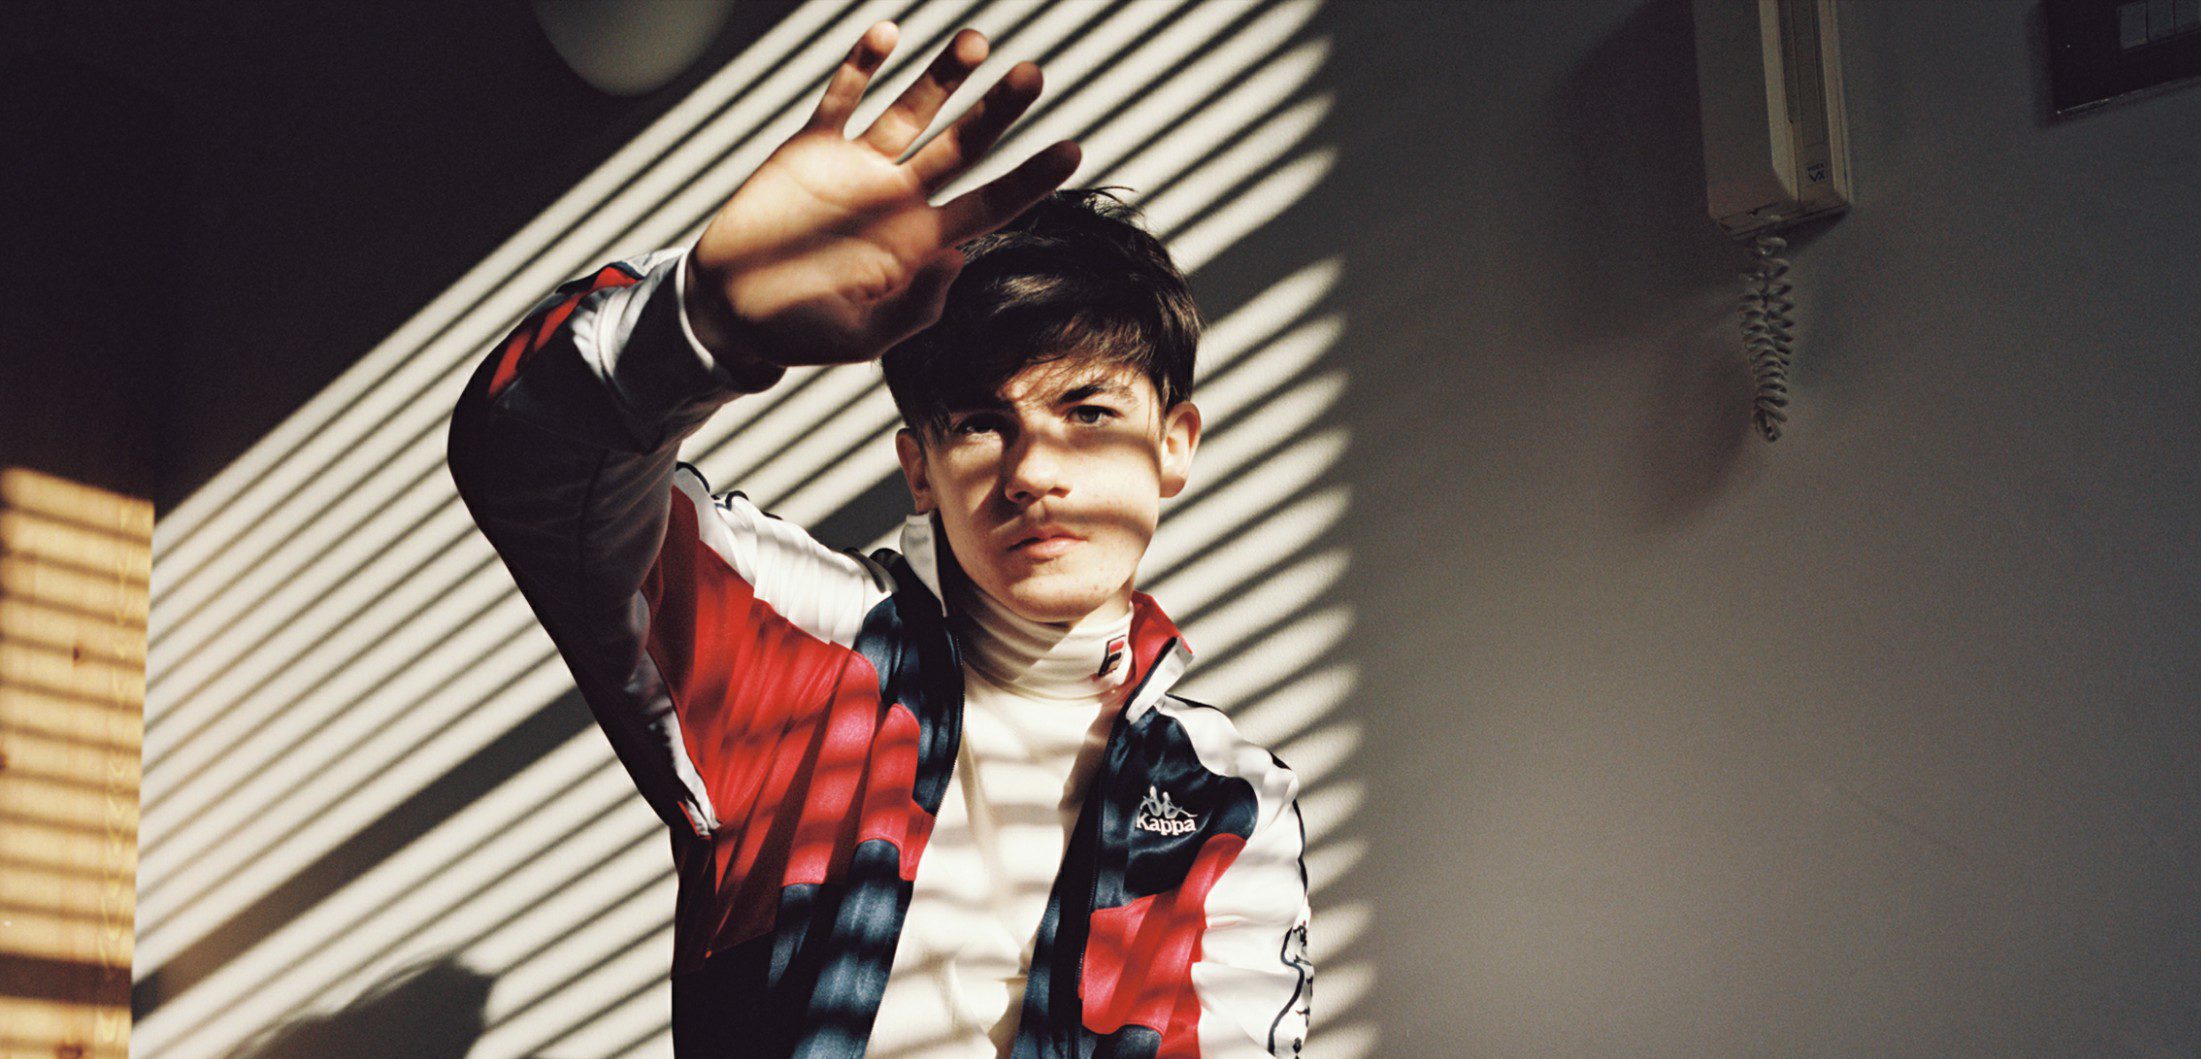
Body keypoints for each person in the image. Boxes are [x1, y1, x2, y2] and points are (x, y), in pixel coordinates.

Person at [447, 20, 1311, 1059]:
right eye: (980, 423)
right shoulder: (798, 645)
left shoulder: (1228, 798)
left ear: (1174, 447)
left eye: (1087, 413)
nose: (1032, 471)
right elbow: (528, 464)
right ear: (919, 467)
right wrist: (701, 321)